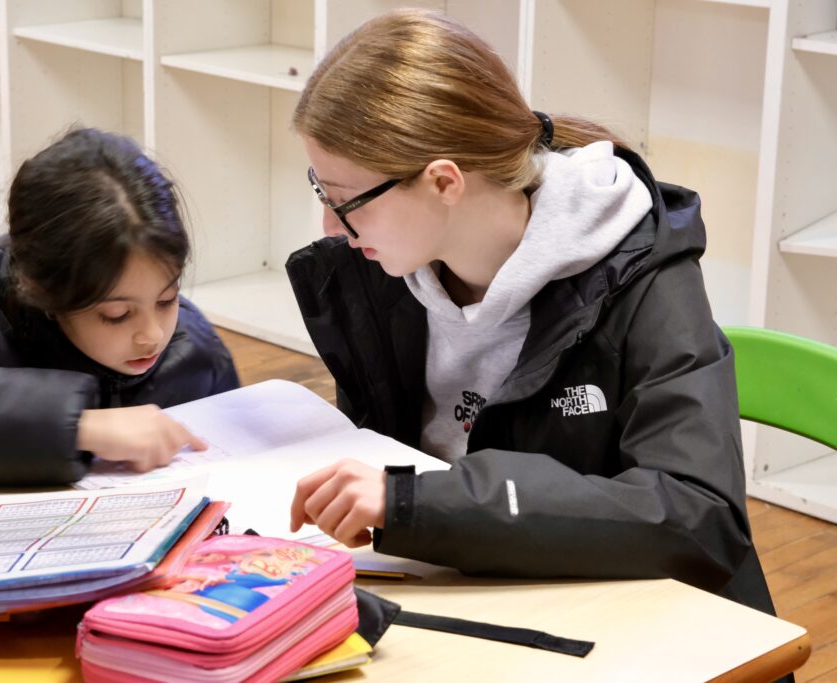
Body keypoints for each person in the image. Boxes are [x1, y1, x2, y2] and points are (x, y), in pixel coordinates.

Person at [285, 8, 777, 618]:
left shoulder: (643, 276)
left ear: (444, 182)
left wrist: (416, 504)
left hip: (642, 624)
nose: (331, 226)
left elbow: (699, 516)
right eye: (320, 191)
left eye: (345, 200)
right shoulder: (378, 275)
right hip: (474, 590)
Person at [0, 128, 239, 492]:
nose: (152, 333)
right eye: (117, 315)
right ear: (41, 288)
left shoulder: (193, 349)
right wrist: (80, 425)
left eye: (167, 299)